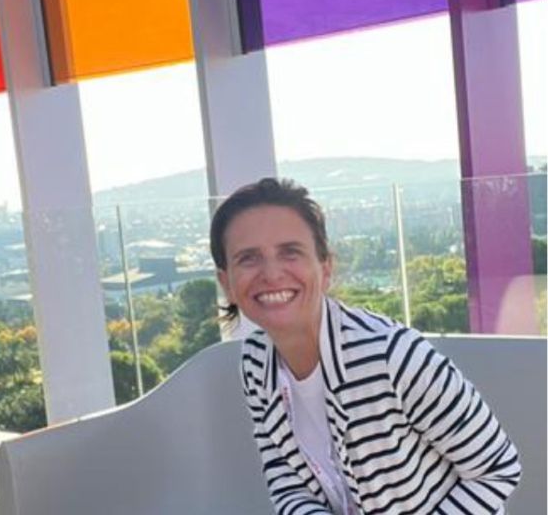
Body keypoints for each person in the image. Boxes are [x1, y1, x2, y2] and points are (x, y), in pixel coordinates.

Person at [210, 177, 521, 515]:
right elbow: (285, 476)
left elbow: (498, 468)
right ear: (226, 282)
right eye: (248, 258)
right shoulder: (256, 363)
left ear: (325, 267)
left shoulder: (392, 355)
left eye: (290, 252)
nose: (271, 273)